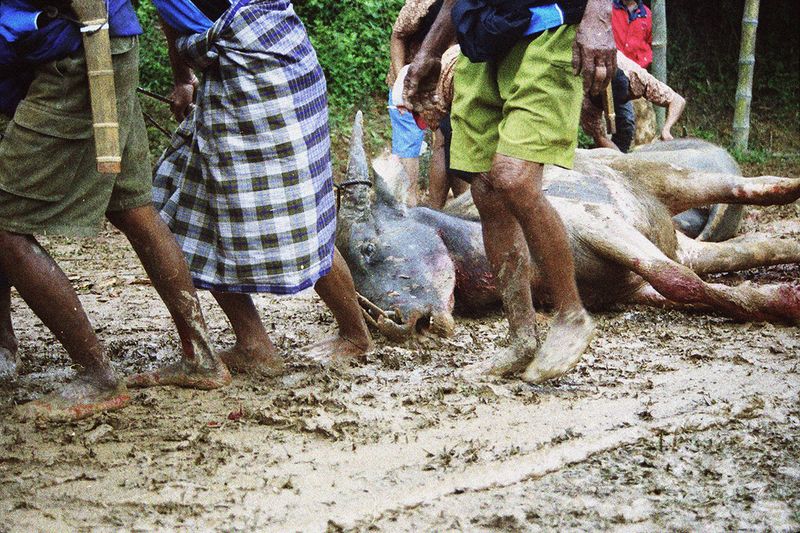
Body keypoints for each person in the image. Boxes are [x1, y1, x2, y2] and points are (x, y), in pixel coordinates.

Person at [0, 0, 229, 420]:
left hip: (77, 55)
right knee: (132, 208)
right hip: (101, 47)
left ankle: (98, 376)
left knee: (3, 225)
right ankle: (201, 355)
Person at [138, 0, 372, 381]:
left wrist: (183, 73)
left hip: (266, 71)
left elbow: (177, 22)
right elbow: (174, 17)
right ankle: (254, 344)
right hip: (267, 66)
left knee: (305, 217)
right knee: (200, 219)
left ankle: (355, 335)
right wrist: (182, 77)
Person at [403, 0, 616, 383]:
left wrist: (599, 13)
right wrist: (430, 51)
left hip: (548, 34)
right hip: (481, 44)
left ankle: (571, 314)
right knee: (485, 191)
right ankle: (521, 338)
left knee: (513, 178)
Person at [388, 0, 453, 206]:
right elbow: (398, 35)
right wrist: (402, 83)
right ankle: (408, 205)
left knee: (447, 143)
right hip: (412, 77)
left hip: (448, 82)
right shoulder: (421, 3)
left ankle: (441, 209)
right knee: (408, 143)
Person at [581, 50, 686, 150]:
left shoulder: (637, 77)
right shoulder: (586, 101)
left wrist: (666, 129)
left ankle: (622, 149)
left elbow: (678, 100)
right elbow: (599, 137)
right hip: (587, 82)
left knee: (626, 125)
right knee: (602, 136)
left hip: (618, 72)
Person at [609, 0, 653, 151]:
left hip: (636, 78)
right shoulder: (608, 8)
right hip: (611, 76)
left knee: (644, 132)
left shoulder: (646, 15)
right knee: (618, 123)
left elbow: (649, 43)